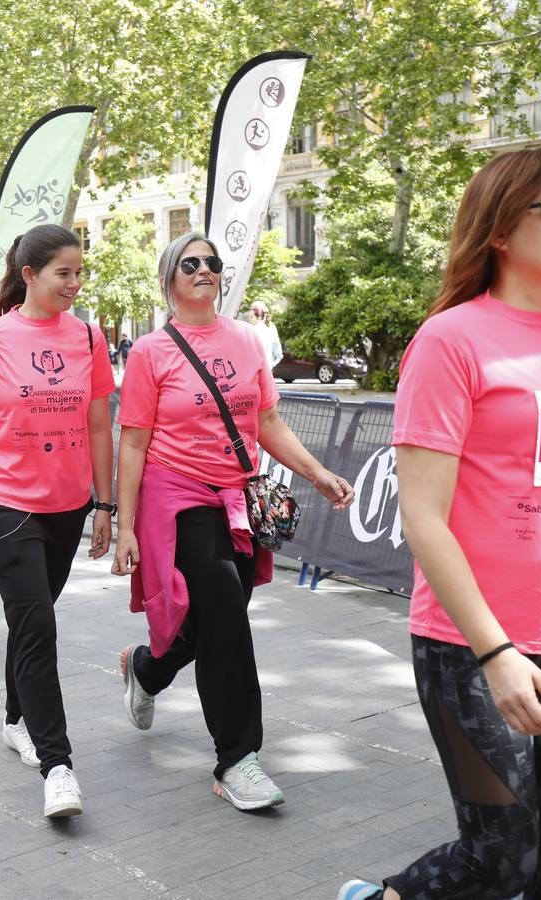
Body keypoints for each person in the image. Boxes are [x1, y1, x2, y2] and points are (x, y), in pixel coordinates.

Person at [339, 146, 541, 900]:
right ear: (501, 227)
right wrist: (497, 653)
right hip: (472, 649)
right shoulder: (450, 342)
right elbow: (423, 518)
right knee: (501, 856)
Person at [112, 232, 353, 812]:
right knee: (224, 611)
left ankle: (147, 668)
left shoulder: (246, 339)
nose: (204, 270)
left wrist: (317, 472)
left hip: (237, 492)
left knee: (221, 610)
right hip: (176, 493)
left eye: (212, 263)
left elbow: (267, 421)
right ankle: (237, 759)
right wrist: (124, 526)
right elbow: (134, 444)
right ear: (169, 278)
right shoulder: (151, 351)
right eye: (190, 263)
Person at [0, 224, 114, 818]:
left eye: (80, 272)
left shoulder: (89, 338)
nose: (74, 283)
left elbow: (98, 426)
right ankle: (58, 766)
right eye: (63, 273)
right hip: (4, 503)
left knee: (32, 622)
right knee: (38, 626)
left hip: (67, 506)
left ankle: (15, 719)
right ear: (30, 275)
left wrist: (106, 505)